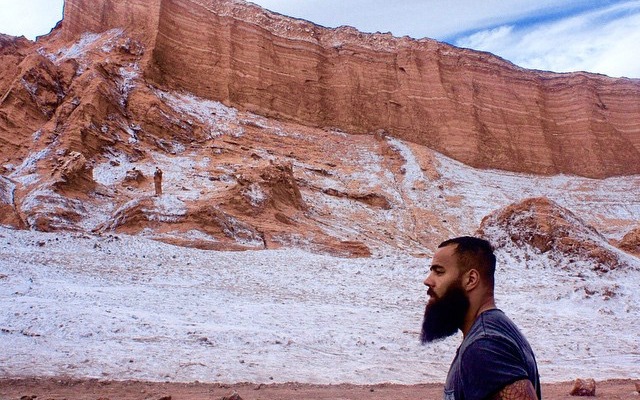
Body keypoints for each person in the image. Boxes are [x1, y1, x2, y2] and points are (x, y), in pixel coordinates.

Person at [421, 236, 541, 400]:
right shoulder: (493, 331)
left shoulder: (486, 346)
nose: (428, 281)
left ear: (470, 280)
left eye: (439, 271)